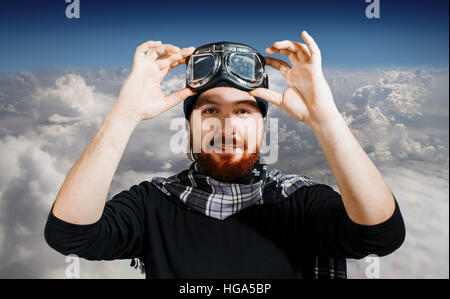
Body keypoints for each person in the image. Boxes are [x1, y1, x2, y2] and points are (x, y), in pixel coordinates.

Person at [44, 31, 405, 279]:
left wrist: (325, 120)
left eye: (245, 111)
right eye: (210, 111)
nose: (227, 126)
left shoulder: (300, 201)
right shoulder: (151, 204)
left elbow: (380, 236)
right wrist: (123, 117)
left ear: (263, 126)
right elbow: (71, 236)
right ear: (190, 127)